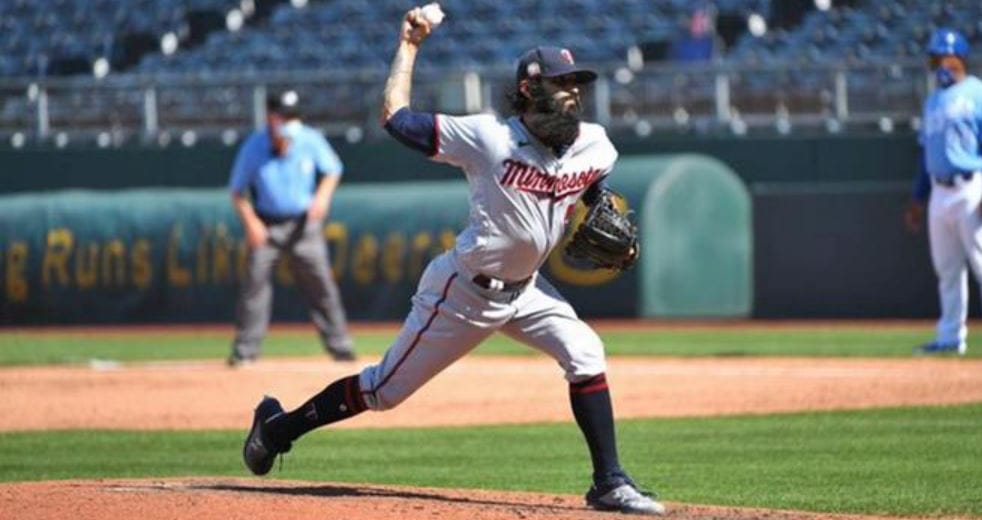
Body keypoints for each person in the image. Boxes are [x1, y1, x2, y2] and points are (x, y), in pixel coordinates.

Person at [241, 6, 665, 516]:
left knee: (586, 353)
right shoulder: (489, 137)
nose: (573, 91)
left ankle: (609, 482)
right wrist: (410, 46)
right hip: (464, 292)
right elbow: (396, 118)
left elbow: (594, 180)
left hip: (527, 291)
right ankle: (276, 428)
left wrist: (601, 203)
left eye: (577, 82)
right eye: (561, 83)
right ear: (529, 90)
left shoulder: (594, 143)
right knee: (383, 391)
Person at [227, 89, 356, 366]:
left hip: (304, 226)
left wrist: (322, 196)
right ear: (270, 117)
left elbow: (334, 169)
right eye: (282, 115)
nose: (287, 121)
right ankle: (245, 352)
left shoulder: (309, 139)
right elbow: (237, 191)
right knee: (254, 287)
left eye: (291, 115)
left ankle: (341, 347)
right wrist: (251, 223)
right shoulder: (255, 146)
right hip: (266, 225)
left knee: (321, 285)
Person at [905, 28, 982, 356]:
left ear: (959, 58)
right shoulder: (933, 100)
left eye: (944, 57)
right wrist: (917, 199)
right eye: (934, 58)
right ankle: (951, 337)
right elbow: (926, 155)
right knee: (947, 269)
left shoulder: (977, 91)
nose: (939, 64)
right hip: (939, 191)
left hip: (971, 186)